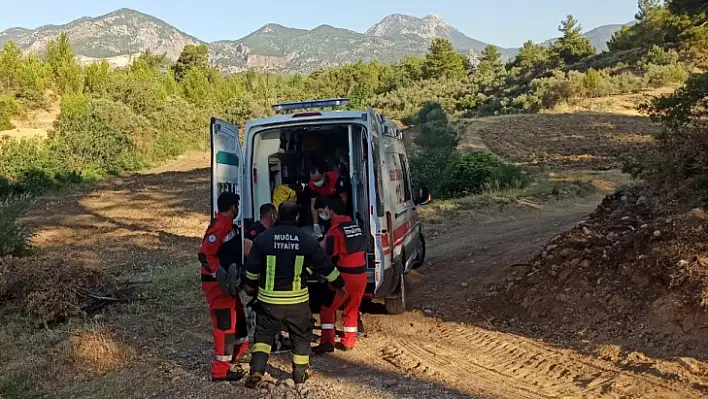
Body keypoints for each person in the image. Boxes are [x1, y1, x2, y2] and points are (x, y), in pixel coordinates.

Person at [243, 202, 346, 389]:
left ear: (277, 216)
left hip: (269, 301)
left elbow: (251, 269)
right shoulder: (306, 240)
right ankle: (300, 374)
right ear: (297, 218)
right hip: (297, 302)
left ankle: (256, 370)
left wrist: (250, 286)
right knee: (300, 336)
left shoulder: (263, 239)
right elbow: (326, 266)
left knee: (263, 336)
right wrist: (339, 283)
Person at [197, 192, 249, 382]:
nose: (238, 209)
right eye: (237, 205)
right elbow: (205, 254)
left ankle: (235, 354)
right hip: (218, 286)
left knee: (238, 317)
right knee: (225, 323)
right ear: (233, 206)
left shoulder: (228, 226)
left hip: (227, 285)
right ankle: (220, 370)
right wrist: (220, 275)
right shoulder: (220, 228)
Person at [312, 197, 368, 353]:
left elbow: (328, 255)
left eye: (323, 210)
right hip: (361, 275)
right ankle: (349, 342)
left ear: (329, 209)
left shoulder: (335, 231)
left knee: (327, 308)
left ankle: (327, 341)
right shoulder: (355, 226)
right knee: (352, 308)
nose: (323, 213)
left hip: (345, 276)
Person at [245, 203, 292, 355]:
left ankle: (277, 339)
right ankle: (273, 343)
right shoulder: (255, 231)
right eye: (275, 215)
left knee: (273, 309)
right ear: (271, 215)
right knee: (268, 310)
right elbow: (248, 249)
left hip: (270, 276)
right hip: (261, 276)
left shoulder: (269, 232)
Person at [308, 165, 350, 237]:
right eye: (314, 181)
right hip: (324, 200)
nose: (316, 183)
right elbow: (313, 205)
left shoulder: (335, 179)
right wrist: (316, 225)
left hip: (337, 199)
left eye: (318, 180)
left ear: (324, 175)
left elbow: (344, 198)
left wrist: (343, 214)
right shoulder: (312, 185)